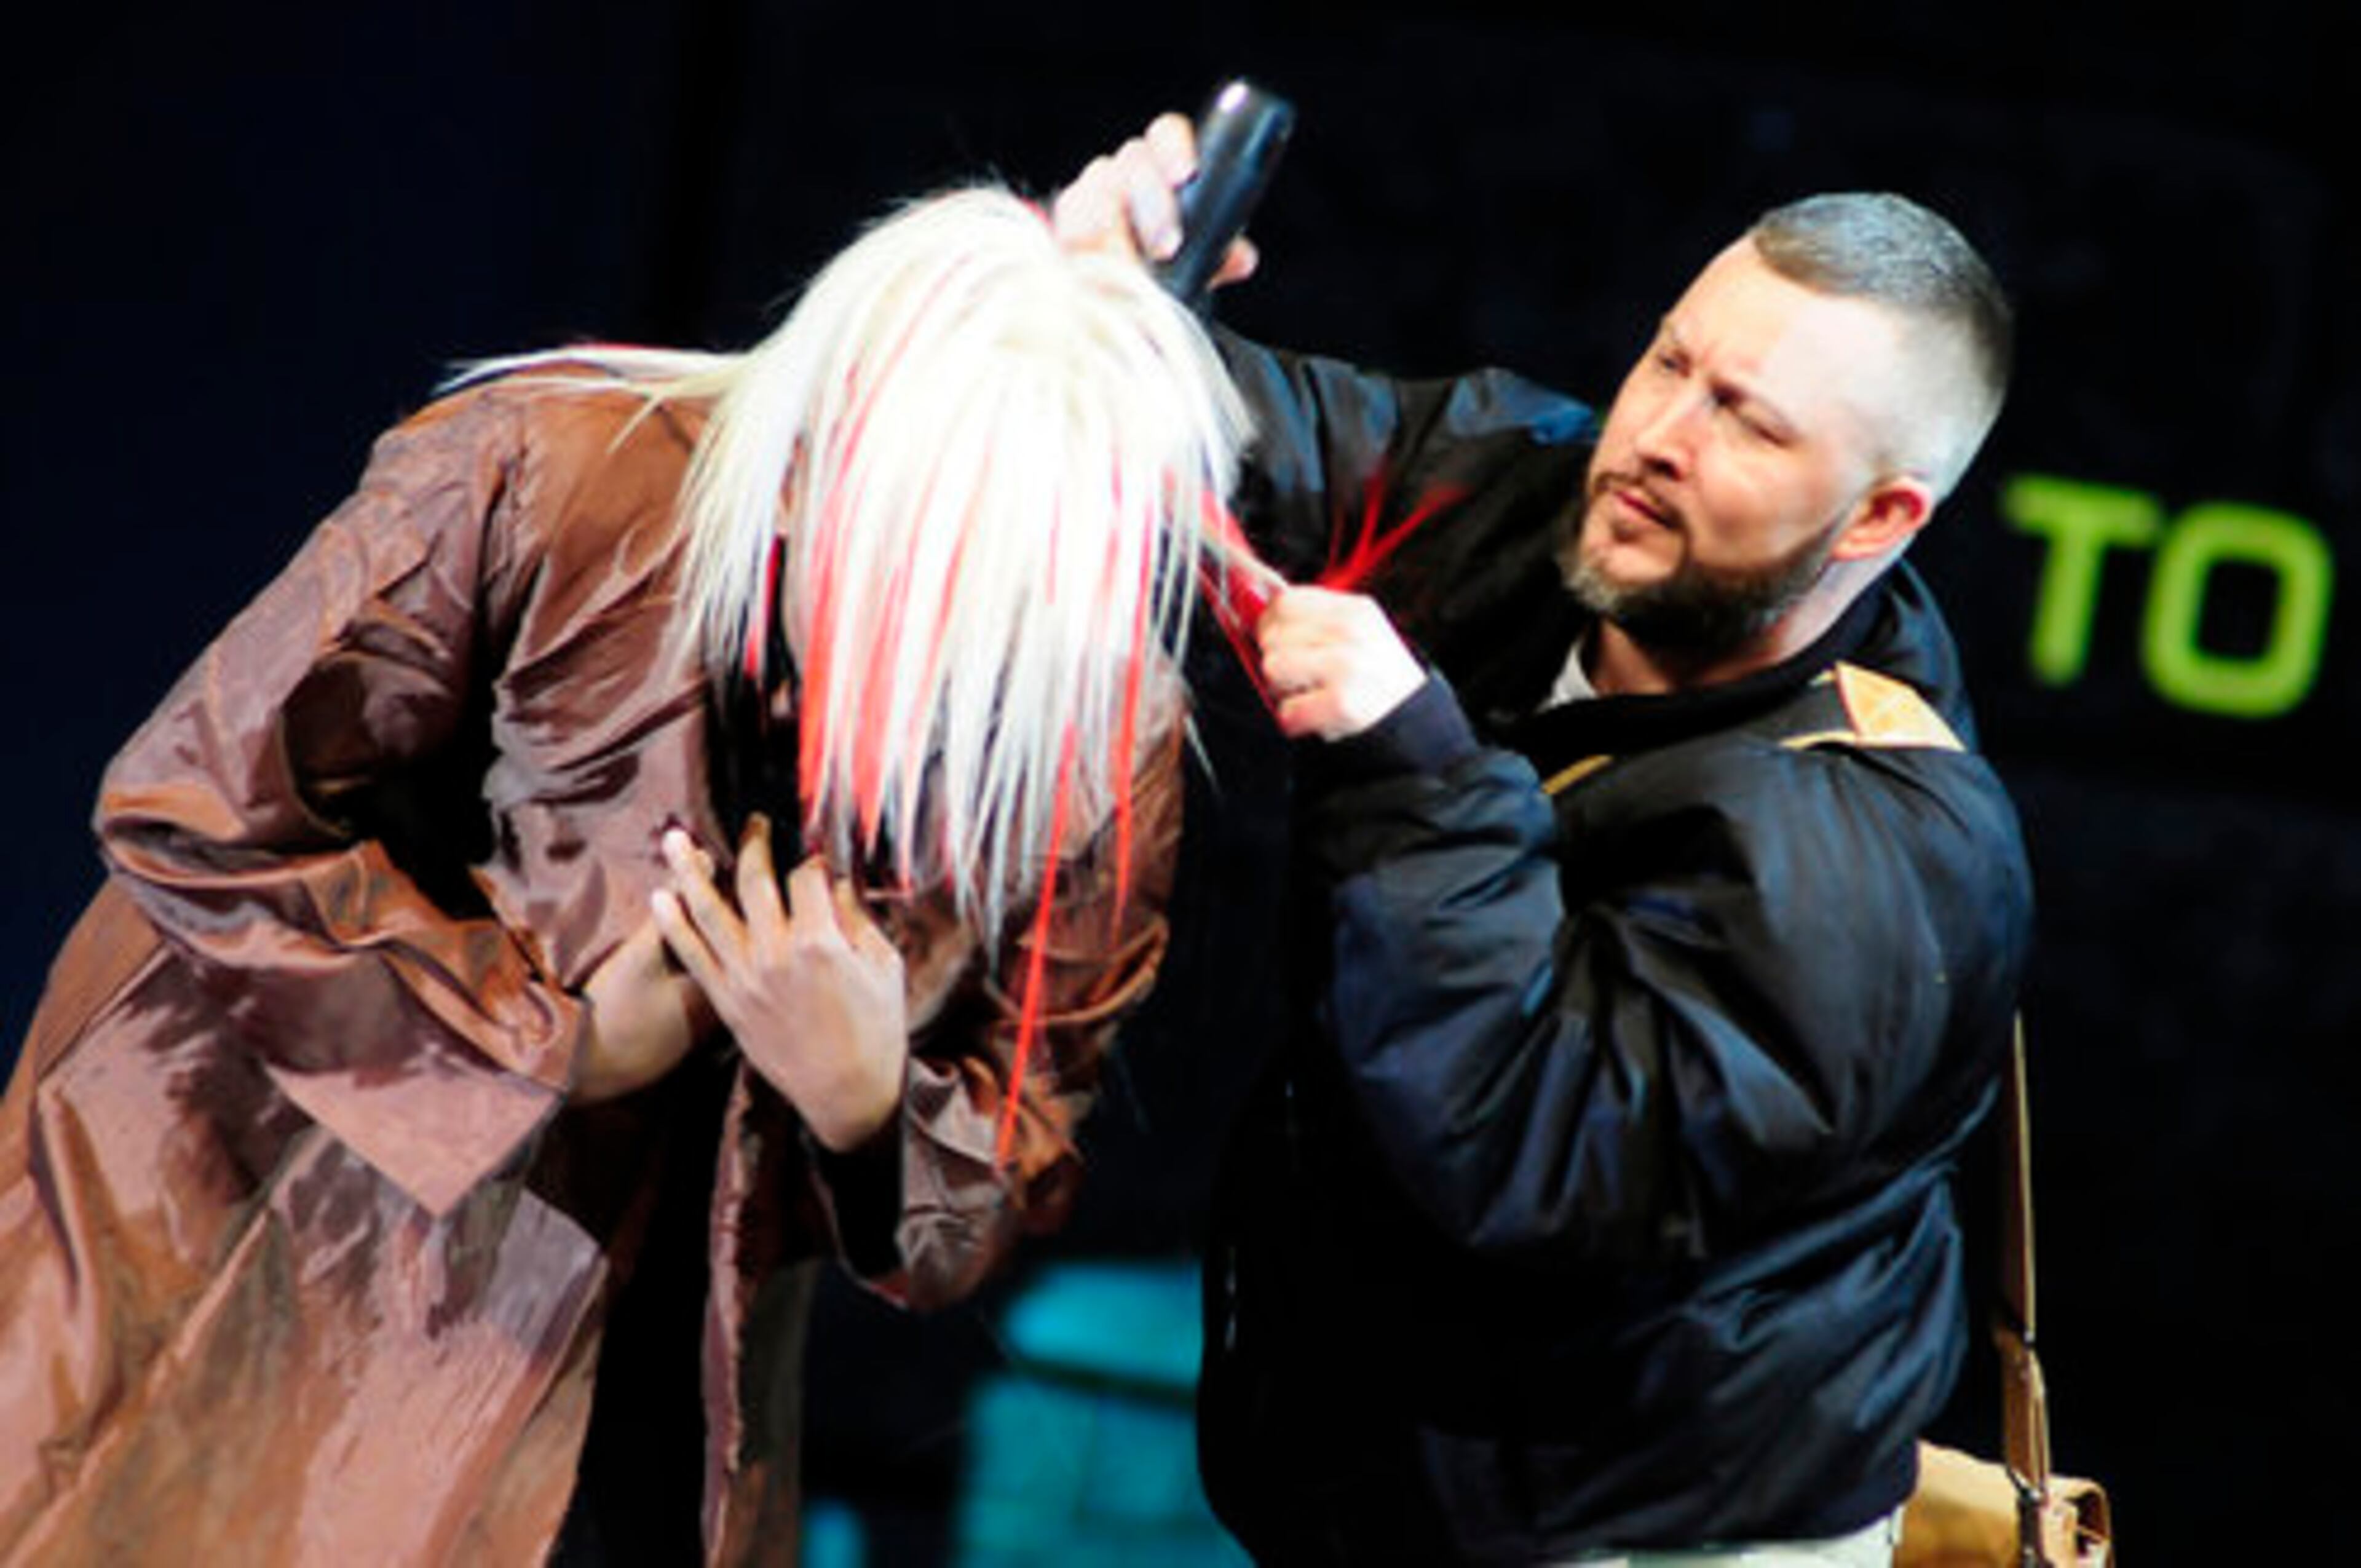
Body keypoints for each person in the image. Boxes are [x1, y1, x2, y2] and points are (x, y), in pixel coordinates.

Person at [0, 184, 1252, 1566]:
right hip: (280, 1245)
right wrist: (556, 1041)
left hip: (648, 1368)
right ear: (820, 464)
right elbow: (191, 820)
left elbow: (998, 1177)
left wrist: (866, 1107)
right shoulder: (555, 471)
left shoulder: (1091, 729)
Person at [1060, 119, 2031, 1564]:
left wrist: (1413, 770)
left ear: (1878, 516)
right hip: (1412, 1486)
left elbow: (1533, 1158)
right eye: (1671, 361)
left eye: (1750, 422)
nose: (1659, 437)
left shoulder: (1881, 853)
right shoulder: (1552, 492)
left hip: (1656, 1536)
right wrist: (1101, 305)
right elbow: (1237, 440)